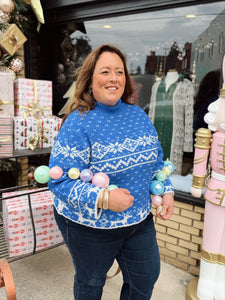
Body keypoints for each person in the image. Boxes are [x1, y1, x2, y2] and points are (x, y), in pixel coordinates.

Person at [48, 44, 174, 300]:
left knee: (145, 278)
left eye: (119, 72)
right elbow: (59, 181)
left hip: (138, 221)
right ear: (90, 80)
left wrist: (167, 189)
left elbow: (156, 161)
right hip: (89, 227)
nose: (113, 78)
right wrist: (104, 198)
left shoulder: (138, 115)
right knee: (91, 284)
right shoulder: (79, 122)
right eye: (105, 71)